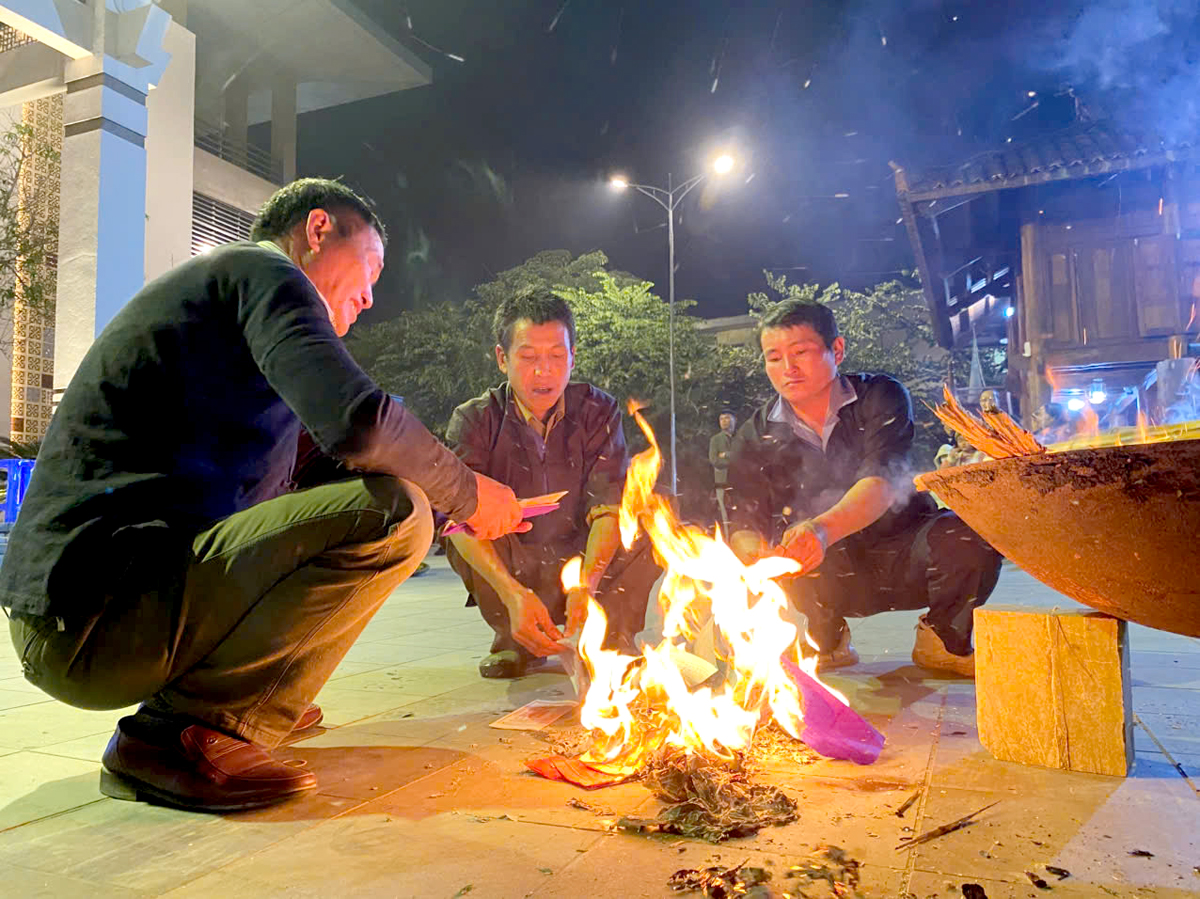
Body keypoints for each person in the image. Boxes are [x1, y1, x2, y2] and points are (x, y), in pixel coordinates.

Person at [1, 178, 525, 812]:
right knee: (395, 514)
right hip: (94, 611)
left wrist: (447, 505)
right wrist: (469, 491)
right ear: (318, 229)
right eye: (369, 271)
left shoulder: (233, 327)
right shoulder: (263, 271)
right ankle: (182, 734)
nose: (367, 298)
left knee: (403, 502)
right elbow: (359, 422)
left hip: (90, 616)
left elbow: (319, 481)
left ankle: (235, 697)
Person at [726, 300, 1002, 677]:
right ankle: (826, 639)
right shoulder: (756, 434)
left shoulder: (879, 396)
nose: (787, 369)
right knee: (783, 551)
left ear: (836, 349)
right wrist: (754, 555)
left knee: (970, 536)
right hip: (827, 568)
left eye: (800, 353)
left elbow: (881, 481)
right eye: (773, 358)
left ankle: (943, 638)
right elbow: (743, 513)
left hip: (906, 548)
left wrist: (820, 530)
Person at [444, 290, 660, 679]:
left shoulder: (598, 411)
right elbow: (456, 517)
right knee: (462, 526)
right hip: (518, 560)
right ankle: (515, 637)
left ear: (572, 357)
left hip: (582, 551)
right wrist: (512, 595)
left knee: (647, 518)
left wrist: (584, 586)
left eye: (556, 357)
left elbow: (610, 502)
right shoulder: (475, 421)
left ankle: (612, 639)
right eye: (528, 358)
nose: (543, 372)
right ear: (502, 358)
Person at [709, 411, 736, 531]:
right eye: (721, 419)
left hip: (739, 483)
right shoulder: (715, 440)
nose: (724, 421)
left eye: (727, 418)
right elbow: (715, 460)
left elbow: (744, 455)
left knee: (739, 514)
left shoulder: (738, 439)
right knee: (725, 515)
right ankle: (726, 540)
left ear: (734, 420)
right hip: (722, 483)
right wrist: (734, 461)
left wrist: (725, 454)